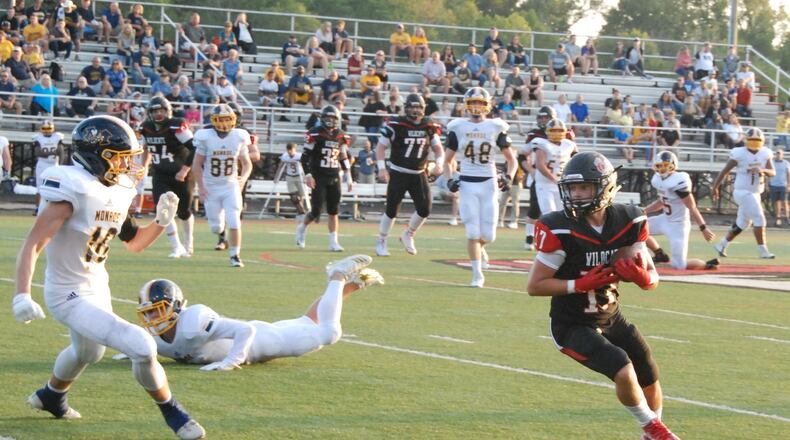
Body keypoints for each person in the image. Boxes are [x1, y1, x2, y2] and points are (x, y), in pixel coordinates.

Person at [12, 115, 206, 440]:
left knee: (88, 353)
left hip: (97, 285)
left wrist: (160, 221)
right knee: (142, 346)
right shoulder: (74, 187)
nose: (126, 165)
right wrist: (22, 294)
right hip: (67, 294)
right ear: (96, 155)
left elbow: (134, 243)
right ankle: (173, 412)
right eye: (119, 157)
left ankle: (51, 396)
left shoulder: (114, 191)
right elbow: (34, 243)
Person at [527, 151, 679, 440]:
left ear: (606, 186)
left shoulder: (628, 219)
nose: (577, 195)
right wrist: (579, 284)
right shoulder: (560, 226)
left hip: (611, 314)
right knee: (621, 365)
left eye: (584, 187)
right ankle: (654, 429)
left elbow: (651, 281)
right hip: (571, 323)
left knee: (647, 368)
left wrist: (643, 277)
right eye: (572, 188)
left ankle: (651, 435)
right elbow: (535, 286)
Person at [135, 256, 382, 369]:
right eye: (149, 313)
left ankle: (338, 274)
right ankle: (353, 284)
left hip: (263, 343)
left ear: (176, 307)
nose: (152, 319)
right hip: (261, 337)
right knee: (308, 320)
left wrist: (231, 362)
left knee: (329, 332)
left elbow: (246, 330)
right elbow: (148, 346)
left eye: (158, 311)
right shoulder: (156, 338)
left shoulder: (193, 321)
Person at [444, 87, 517, 287]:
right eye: (473, 102)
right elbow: (447, 160)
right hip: (467, 183)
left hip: (489, 183)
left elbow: (512, 160)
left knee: (489, 236)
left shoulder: (495, 127)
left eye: (480, 103)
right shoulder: (457, 127)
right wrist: (450, 178)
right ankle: (477, 274)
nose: (476, 107)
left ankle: (481, 249)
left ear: (488, 105)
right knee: (472, 233)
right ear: (466, 104)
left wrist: (509, 176)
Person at [375, 93, 444, 256]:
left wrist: (439, 164)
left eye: (418, 107)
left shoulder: (429, 126)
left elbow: (438, 149)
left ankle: (408, 233)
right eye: (412, 106)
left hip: (419, 173)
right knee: (392, 210)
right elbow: (380, 147)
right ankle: (382, 240)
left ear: (423, 109)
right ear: (406, 108)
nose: (415, 110)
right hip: (399, 172)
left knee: (425, 209)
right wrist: (382, 168)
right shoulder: (396, 124)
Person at [191, 104, 252, 267]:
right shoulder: (206, 136)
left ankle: (235, 256)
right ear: (214, 120)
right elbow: (196, 165)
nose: (224, 123)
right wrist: (201, 188)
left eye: (227, 119)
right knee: (216, 227)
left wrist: (243, 179)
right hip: (211, 186)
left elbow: (247, 164)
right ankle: (221, 231)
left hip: (230, 184)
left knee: (235, 221)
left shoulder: (239, 136)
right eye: (221, 119)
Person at [140, 96, 196, 258]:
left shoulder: (176, 125)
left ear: (168, 111)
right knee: (163, 210)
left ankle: (188, 244)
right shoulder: (145, 127)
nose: (158, 114)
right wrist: (144, 168)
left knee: (184, 212)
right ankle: (176, 246)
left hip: (181, 174)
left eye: (161, 110)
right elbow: (145, 148)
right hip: (160, 173)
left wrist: (184, 170)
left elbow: (194, 148)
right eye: (155, 111)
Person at [643, 151, 719, 269]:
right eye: (660, 166)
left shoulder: (679, 181)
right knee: (636, 228)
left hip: (678, 226)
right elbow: (662, 202)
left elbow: (691, 207)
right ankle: (659, 253)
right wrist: (645, 211)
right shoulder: (658, 180)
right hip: (665, 219)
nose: (662, 169)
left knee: (679, 265)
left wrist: (703, 228)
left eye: (666, 165)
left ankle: (707, 265)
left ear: (673, 165)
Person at [712, 128, 776, 258]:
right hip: (743, 191)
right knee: (759, 218)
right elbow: (725, 170)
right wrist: (715, 187)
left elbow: (772, 172)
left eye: (756, 141)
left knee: (743, 223)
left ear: (762, 141)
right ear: (746, 140)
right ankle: (763, 250)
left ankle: (722, 244)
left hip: (755, 193)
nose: (753, 144)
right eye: (751, 140)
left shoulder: (765, 153)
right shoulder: (739, 153)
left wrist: (762, 170)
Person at [295, 105, 353, 251]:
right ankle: (302, 228)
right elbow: (304, 157)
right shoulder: (315, 133)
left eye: (333, 118)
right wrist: (308, 175)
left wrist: (348, 175)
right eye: (327, 117)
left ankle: (333, 242)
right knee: (316, 211)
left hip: (334, 175)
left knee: (334, 211)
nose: (330, 120)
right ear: (322, 118)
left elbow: (343, 157)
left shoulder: (341, 136)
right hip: (318, 176)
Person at [530, 119, 578, 214]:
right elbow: (540, 165)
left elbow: (576, 162)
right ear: (547, 131)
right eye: (553, 130)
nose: (556, 133)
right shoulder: (542, 143)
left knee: (563, 213)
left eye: (559, 130)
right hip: (545, 184)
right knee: (549, 213)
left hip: (561, 184)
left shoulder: (569, 144)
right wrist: (554, 180)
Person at [274, 142, 309, 223]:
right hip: (290, 176)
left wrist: (306, 176)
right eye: (288, 150)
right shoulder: (285, 156)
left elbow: (305, 165)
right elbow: (281, 166)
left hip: (299, 176)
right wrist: (276, 177)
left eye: (291, 150)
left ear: (294, 149)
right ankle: (302, 212)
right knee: (293, 196)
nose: (290, 152)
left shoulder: (299, 156)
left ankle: (300, 213)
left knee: (301, 195)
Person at [33, 119, 64, 211]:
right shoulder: (38, 138)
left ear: (53, 128)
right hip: (42, 164)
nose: (46, 131)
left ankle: (53, 207)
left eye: (48, 128)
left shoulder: (57, 137)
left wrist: (60, 165)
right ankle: (37, 207)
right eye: (44, 128)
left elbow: (61, 151)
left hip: (54, 164)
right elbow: (38, 152)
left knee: (55, 187)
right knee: (39, 187)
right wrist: (53, 152)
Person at [769, 149, 790, 226]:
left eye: (779, 153)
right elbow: (768, 174)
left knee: (784, 202)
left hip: (783, 185)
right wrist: (767, 184)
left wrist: (788, 185)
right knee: (776, 202)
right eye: (777, 153)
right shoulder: (772, 163)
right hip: (774, 185)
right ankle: (778, 219)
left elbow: (788, 175)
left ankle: (787, 218)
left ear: (782, 155)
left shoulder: (786, 163)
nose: (778, 155)